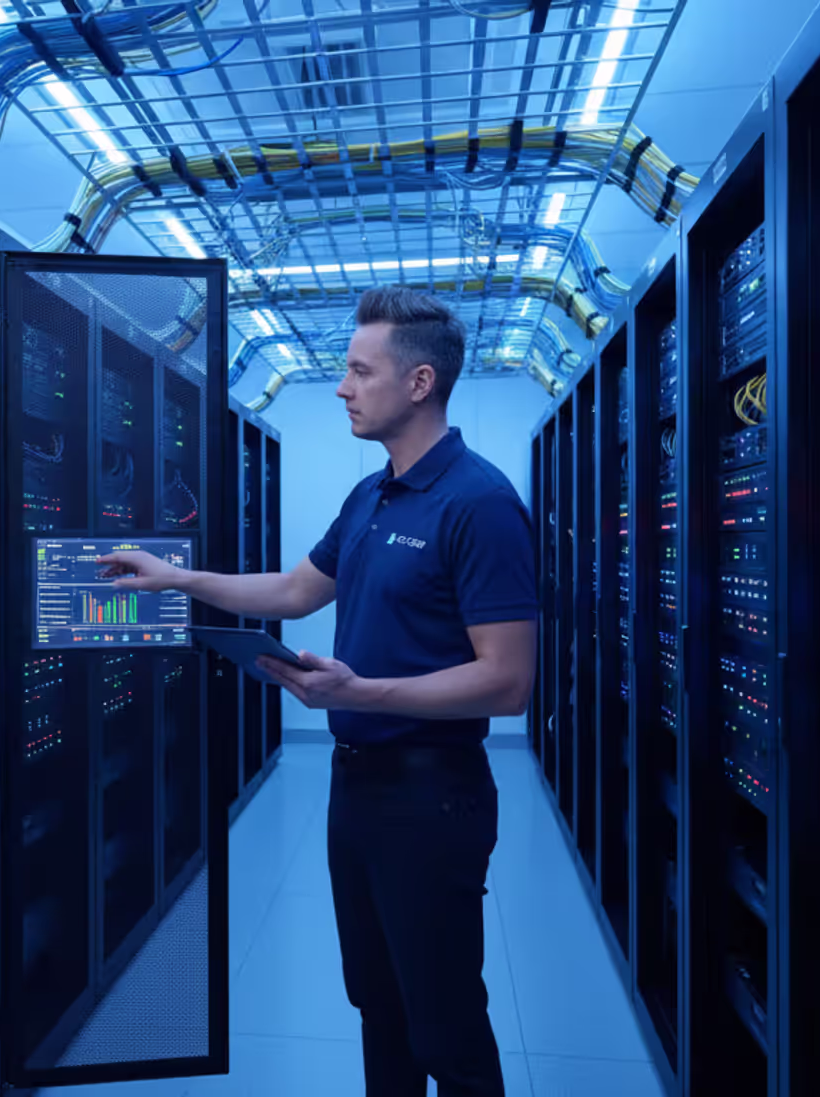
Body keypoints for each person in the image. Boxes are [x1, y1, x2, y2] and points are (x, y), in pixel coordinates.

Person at [97, 285, 537, 1097]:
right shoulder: (369, 496)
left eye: (358, 371)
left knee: (445, 1022)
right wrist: (174, 576)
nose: (341, 387)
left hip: (433, 798)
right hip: (357, 791)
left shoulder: (481, 502)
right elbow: (298, 589)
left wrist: (360, 692)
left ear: (420, 383)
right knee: (378, 1004)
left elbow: (507, 681)